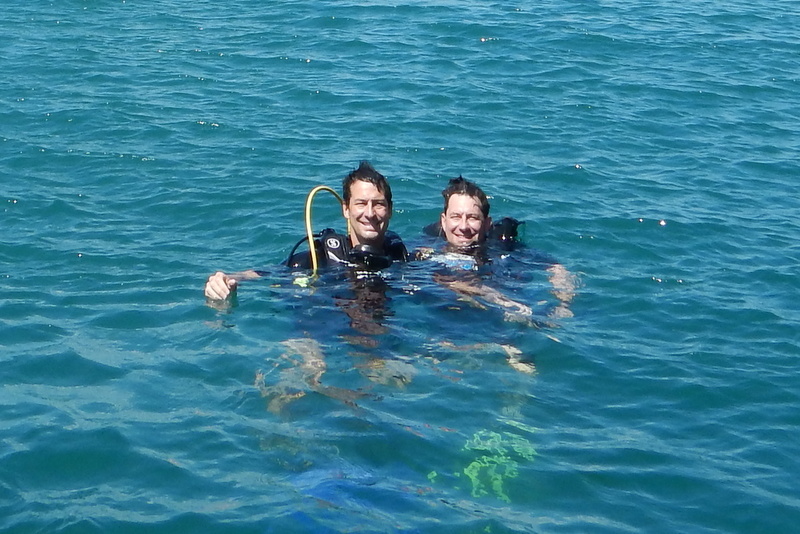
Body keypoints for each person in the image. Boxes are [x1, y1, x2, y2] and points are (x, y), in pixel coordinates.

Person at [204, 161, 408, 301]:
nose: (370, 213)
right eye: (361, 203)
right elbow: (266, 273)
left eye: (378, 204)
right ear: (346, 209)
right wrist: (226, 279)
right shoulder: (319, 258)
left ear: (390, 210)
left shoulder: (401, 256)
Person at [418, 176, 576, 320]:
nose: (463, 226)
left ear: (487, 224)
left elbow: (555, 267)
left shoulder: (503, 249)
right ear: (444, 221)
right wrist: (492, 296)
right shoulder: (424, 249)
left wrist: (563, 303)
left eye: (473, 218)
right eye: (456, 217)